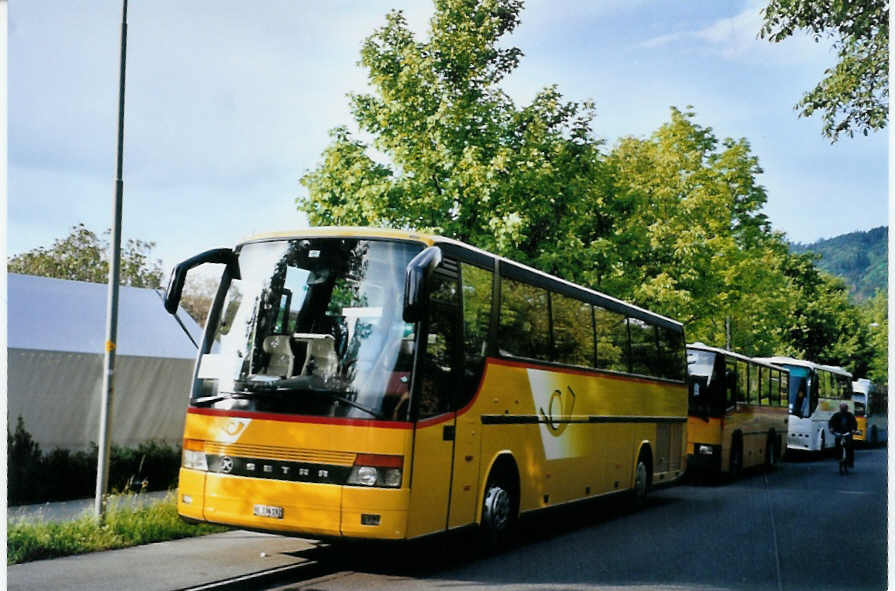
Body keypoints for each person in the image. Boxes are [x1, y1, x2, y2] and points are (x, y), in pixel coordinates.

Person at [828, 402, 858, 468]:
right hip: (839, 433)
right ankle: (838, 457)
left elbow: (854, 423)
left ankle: (850, 461)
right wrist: (831, 428)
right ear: (840, 408)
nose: (843, 409)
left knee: (850, 446)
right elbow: (831, 422)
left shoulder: (850, 415)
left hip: (848, 433)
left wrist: (853, 429)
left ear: (847, 408)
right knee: (837, 444)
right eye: (842, 408)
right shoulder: (836, 415)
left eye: (844, 408)